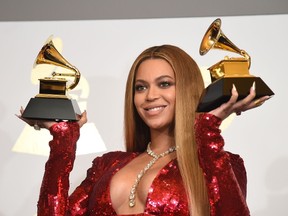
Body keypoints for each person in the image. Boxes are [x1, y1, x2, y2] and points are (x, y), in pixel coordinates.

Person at [18, 45, 270, 216]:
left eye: (164, 84)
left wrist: (207, 130)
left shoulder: (219, 163)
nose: (150, 96)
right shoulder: (107, 165)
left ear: (187, 89)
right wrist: (63, 140)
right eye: (140, 87)